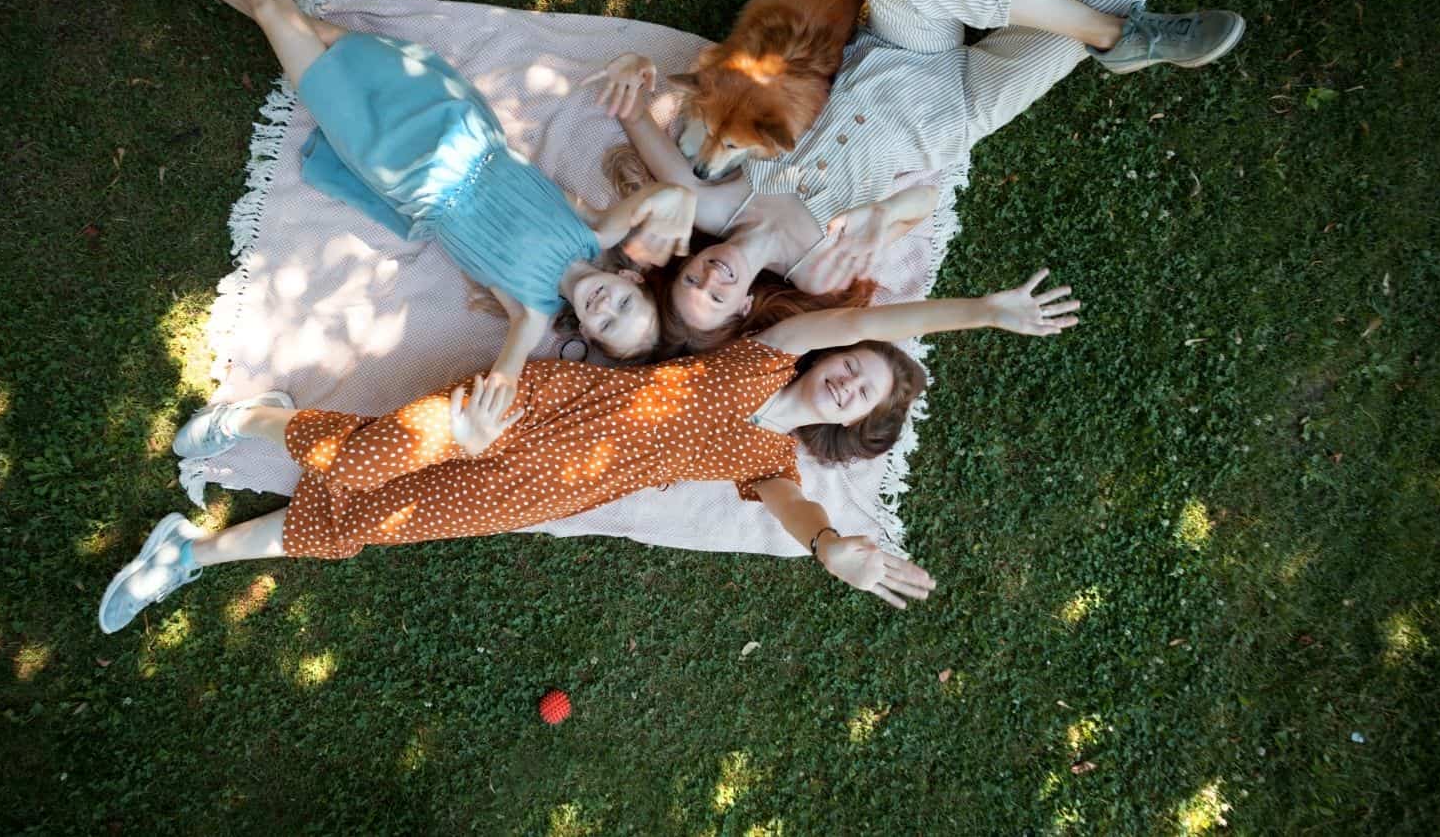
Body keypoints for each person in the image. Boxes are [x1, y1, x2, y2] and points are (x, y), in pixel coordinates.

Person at [31, 0, 698, 422]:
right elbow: (669, 201)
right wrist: (680, 210)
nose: (607, 308)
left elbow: (505, 378)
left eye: (606, 326)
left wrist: (496, 408)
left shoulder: (528, 311)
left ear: (582, 332)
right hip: (449, 113)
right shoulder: (599, 233)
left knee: (272, 11)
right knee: (277, 13)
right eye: (626, 305)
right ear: (634, 279)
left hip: (393, 155)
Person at [99, 269, 1080, 632]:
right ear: (834, 348)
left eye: (863, 397)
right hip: (528, 412)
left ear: (841, 426)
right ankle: (258, 421)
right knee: (359, 459)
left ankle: (190, 551)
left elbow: (799, 516)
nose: (852, 380)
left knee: (375, 520)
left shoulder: (770, 464)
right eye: (861, 363)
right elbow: (892, 313)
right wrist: (981, 314)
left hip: (540, 495)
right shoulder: (754, 364)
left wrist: (832, 550)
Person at [594, 0, 1244, 344]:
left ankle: (1110, 37)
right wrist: (882, 214)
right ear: (739, 310)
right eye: (717, 300)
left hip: (896, 48)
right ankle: (1107, 28)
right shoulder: (816, 270)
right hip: (957, 110)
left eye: (692, 284)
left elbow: (642, 127)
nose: (711, 281)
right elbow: (923, 206)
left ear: (688, 265)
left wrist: (630, 75)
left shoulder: (716, 205)